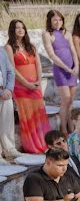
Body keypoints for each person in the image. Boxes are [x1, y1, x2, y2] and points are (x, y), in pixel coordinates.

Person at [6, 20, 50, 154]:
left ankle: (45, 142)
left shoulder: (31, 46)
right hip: (21, 87)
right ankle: (32, 146)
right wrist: (27, 84)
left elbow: (38, 65)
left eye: (22, 27)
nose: (20, 30)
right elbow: (12, 69)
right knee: (27, 116)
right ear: (12, 31)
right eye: (17, 28)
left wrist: (37, 82)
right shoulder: (9, 47)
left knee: (39, 114)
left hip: (35, 85)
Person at [41, 10, 79, 134]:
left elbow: (73, 51)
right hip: (60, 70)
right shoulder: (47, 34)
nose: (58, 22)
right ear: (50, 21)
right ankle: (63, 129)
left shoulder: (67, 33)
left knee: (71, 101)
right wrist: (66, 68)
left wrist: (76, 66)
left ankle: (71, 127)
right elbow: (52, 55)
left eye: (60, 19)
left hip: (72, 70)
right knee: (66, 100)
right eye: (55, 20)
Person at [0, 45, 17, 162]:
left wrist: (8, 89)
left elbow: (11, 71)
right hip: (1, 91)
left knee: (7, 122)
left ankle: (9, 149)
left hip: (6, 91)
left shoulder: (2, 52)